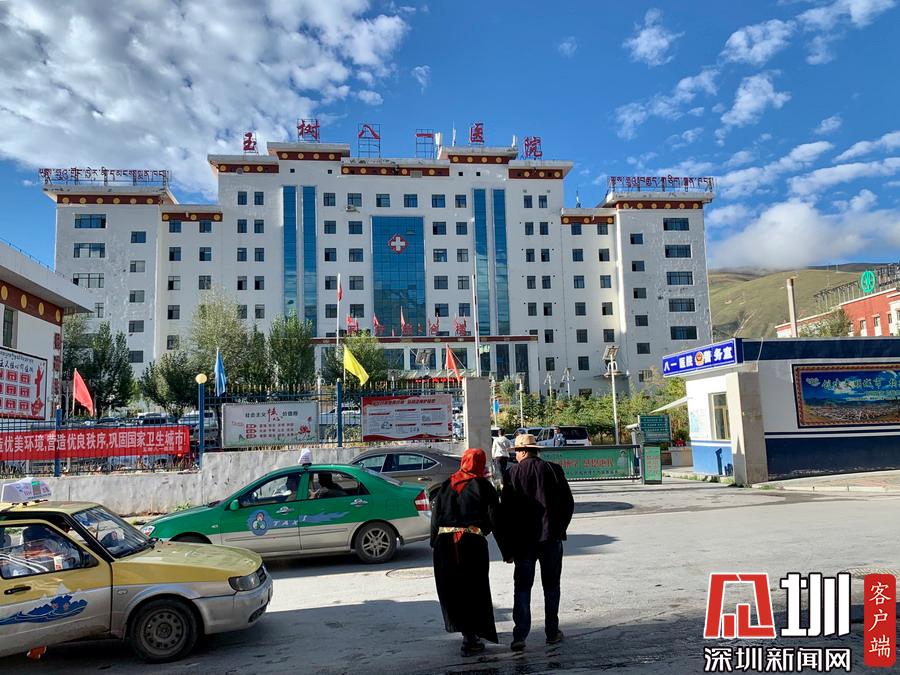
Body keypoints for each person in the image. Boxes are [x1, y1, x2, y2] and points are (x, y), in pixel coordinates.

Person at [502, 433, 574, 652]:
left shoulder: (511, 473)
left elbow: (506, 511)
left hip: (523, 542)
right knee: (551, 586)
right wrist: (559, 528)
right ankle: (552, 632)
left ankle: (520, 635)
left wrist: (509, 544)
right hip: (550, 537)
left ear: (523, 452)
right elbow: (567, 503)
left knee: (522, 588)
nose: (515, 456)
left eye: (516, 452)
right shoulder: (553, 469)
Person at [430, 448, 503, 657]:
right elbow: (495, 519)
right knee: (473, 588)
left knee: (454, 589)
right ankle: (471, 638)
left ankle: (467, 633)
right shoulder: (483, 486)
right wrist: (507, 551)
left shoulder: (447, 484)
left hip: (445, 545)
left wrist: (435, 543)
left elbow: (435, 517)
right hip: (471, 543)